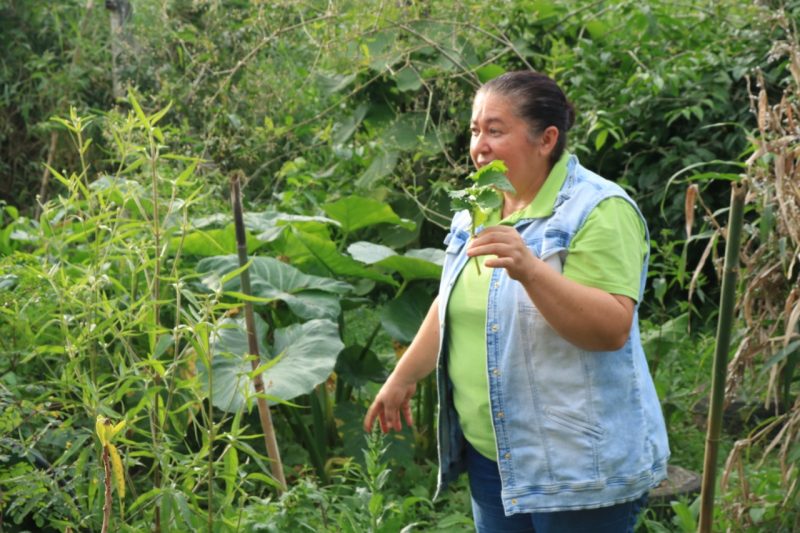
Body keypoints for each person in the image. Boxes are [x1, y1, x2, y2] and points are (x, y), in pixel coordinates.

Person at [363, 71, 669, 533]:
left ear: (546, 139)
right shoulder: (480, 207)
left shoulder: (600, 208)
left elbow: (611, 329)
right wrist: (404, 376)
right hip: (493, 455)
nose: (479, 145)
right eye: (474, 129)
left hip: (576, 467)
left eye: (495, 130)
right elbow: (452, 301)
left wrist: (530, 270)